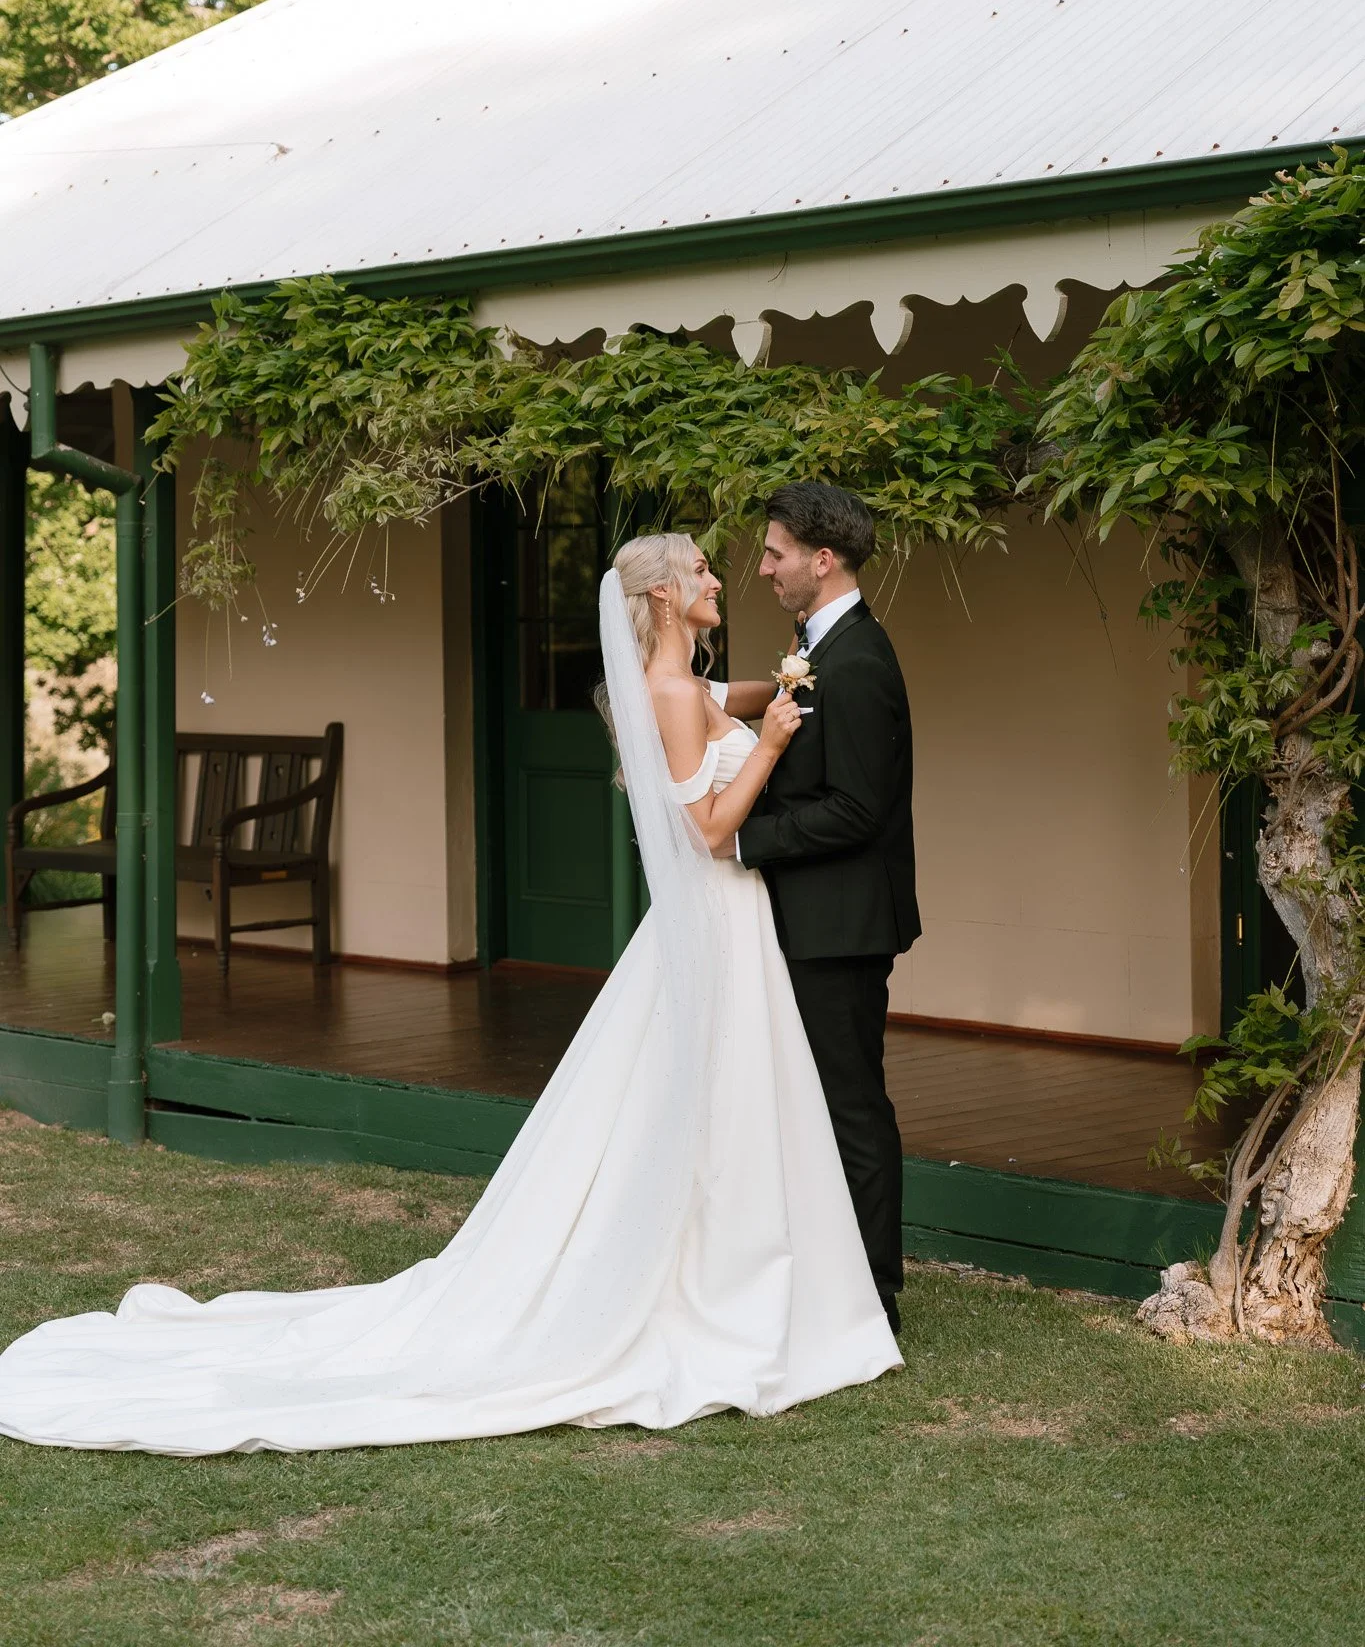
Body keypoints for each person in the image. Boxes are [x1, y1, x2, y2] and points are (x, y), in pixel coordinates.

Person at [0, 531, 899, 1456]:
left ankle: (743, 1268)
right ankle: (706, 1284)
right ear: (665, 597)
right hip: (714, 910)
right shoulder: (669, 693)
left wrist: (794, 685)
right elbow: (707, 827)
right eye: (704, 569)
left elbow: (732, 701)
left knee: (722, 1097)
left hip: (727, 926)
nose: (720, 578)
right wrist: (773, 744)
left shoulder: (681, 689)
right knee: (703, 1096)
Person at [737, 483, 918, 1334]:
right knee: (815, 1100)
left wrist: (740, 839)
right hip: (810, 914)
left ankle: (873, 1295)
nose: (763, 567)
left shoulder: (856, 662)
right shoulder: (818, 648)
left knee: (849, 1103)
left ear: (822, 558)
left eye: (774, 553)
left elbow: (854, 809)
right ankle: (829, 1270)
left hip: (840, 922)